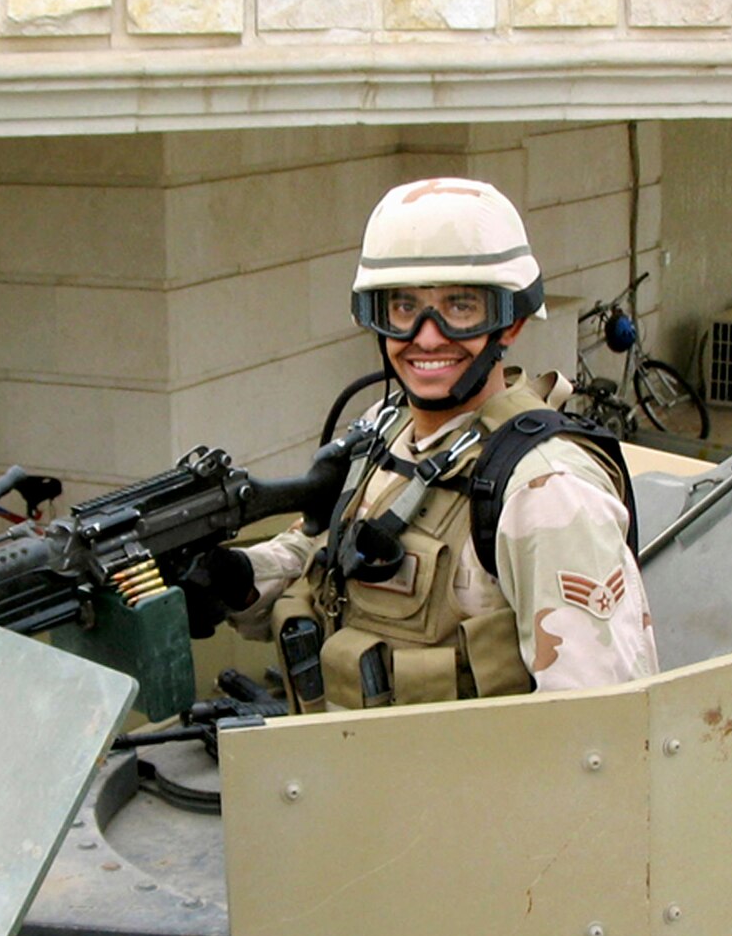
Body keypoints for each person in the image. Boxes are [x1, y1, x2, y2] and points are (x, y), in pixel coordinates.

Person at [184, 176, 658, 711]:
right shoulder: (385, 431)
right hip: (339, 769)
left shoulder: (548, 489)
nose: (427, 336)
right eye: (405, 309)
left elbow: (600, 726)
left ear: (511, 322)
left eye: (460, 307)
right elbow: (327, 557)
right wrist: (242, 579)